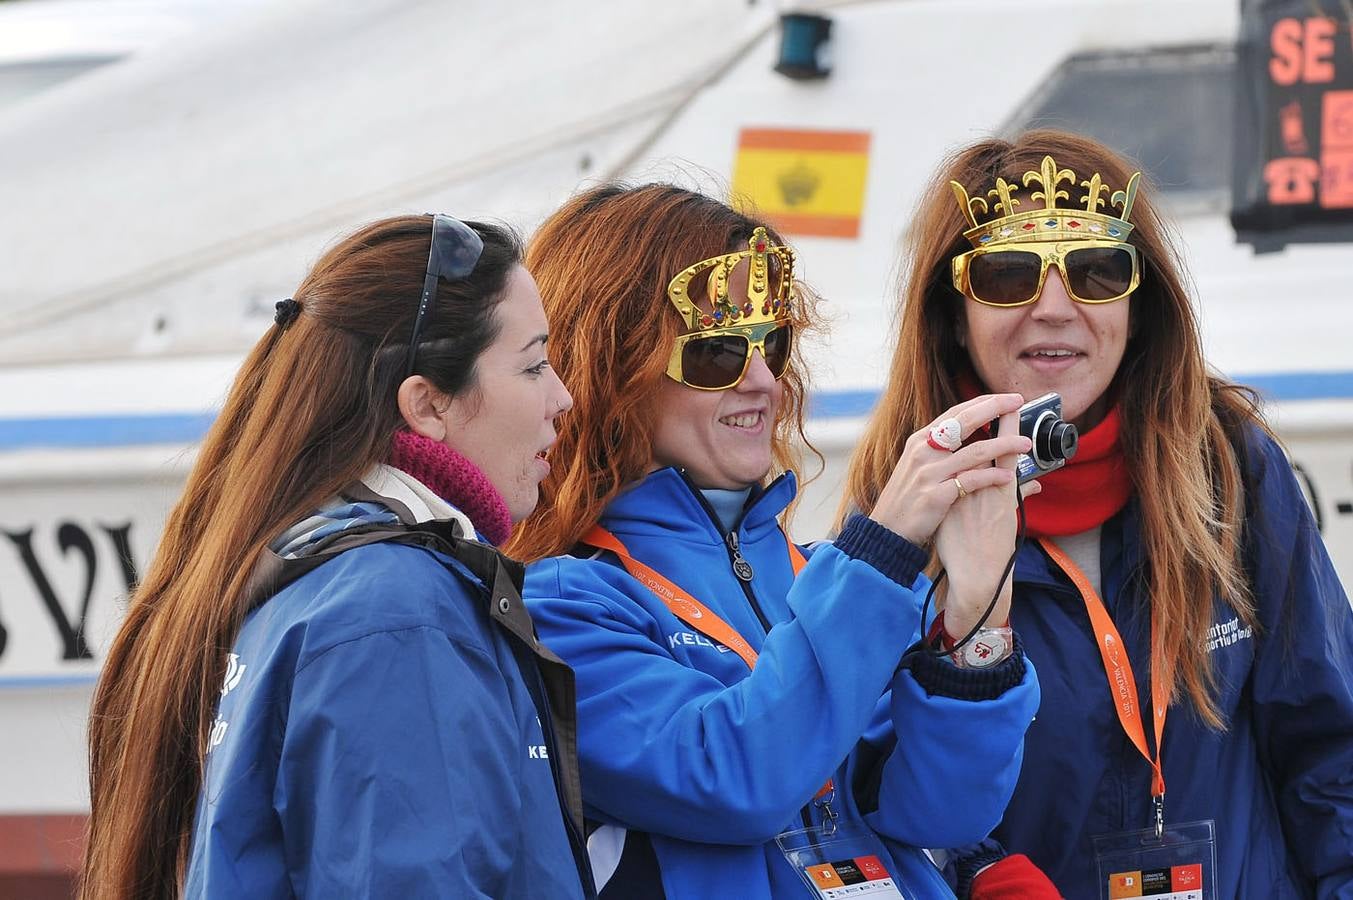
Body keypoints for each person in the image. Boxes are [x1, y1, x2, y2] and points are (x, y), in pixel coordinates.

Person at [841, 130, 1353, 898]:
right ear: (952, 316)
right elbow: (866, 794)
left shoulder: (1228, 465)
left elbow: (1330, 748)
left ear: (1138, 305)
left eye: (1095, 270)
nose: (1054, 308)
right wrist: (975, 869)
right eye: (1008, 276)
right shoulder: (901, 505)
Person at [505, 183, 1041, 899]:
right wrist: (882, 547)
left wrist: (978, 622)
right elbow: (735, 778)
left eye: (773, 344)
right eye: (716, 353)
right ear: (612, 369)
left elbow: (940, 813)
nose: (763, 382)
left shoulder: (814, 575)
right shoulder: (559, 602)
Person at [81, 214, 595, 898]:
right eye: (533, 364)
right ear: (428, 403)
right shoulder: (396, 614)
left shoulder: (322, 581)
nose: (561, 397)